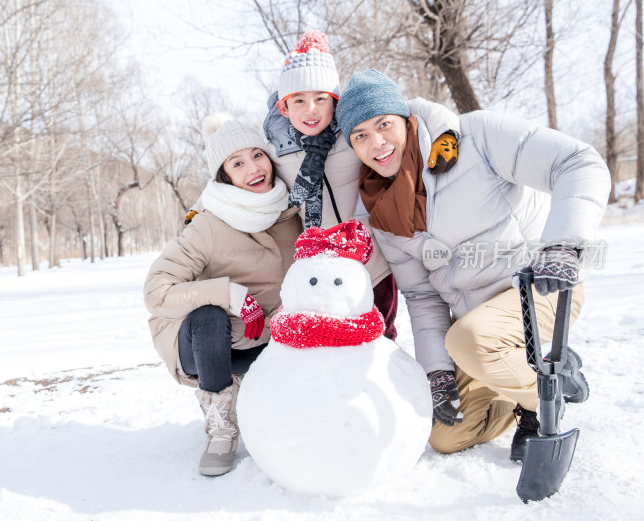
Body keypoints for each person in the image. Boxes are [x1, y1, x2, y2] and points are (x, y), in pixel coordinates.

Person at [335, 69, 610, 462]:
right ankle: (529, 376)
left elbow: (577, 162)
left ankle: (541, 401)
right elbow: (421, 295)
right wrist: (438, 373)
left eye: (384, 124)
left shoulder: (476, 137)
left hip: (540, 287)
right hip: (476, 328)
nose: (376, 143)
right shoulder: (378, 210)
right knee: (447, 435)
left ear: (406, 120)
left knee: (470, 340)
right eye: (360, 135)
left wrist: (562, 245)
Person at [262, 30, 461, 340]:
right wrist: (199, 209)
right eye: (298, 100)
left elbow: (415, 109)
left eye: (321, 98)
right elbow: (238, 172)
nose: (311, 109)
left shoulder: (355, 132)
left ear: (335, 100)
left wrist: (446, 132)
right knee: (332, 342)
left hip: (373, 260)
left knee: (382, 334)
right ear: (284, 107)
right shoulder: (276, 150)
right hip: (321, 268)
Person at [143, 113, 303, 477]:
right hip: (207, 345)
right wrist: (228, 294)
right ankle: (220, 426)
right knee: (209, 316)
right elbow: (156, 292)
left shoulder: (292, 211)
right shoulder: (209, 223)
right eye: (237, 163)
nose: (253, 168)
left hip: (265, 341)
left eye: (257, 155)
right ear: (224, 175)